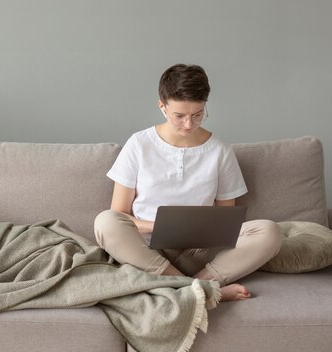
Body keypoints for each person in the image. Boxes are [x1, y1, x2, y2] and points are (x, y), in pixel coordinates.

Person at [94, 64, 282, 301]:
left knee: (270, 232)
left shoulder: (220, 150)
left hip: (200, 252)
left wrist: (200, 231)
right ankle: (203, 290)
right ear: (162, 107)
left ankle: (187, 286)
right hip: (149, 251)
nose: (188, 124)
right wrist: (160, 226)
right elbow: (119, 214)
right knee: (105, 222)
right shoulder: (139, 144)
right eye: (179, 116)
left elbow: (227, 219)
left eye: (197, 115)